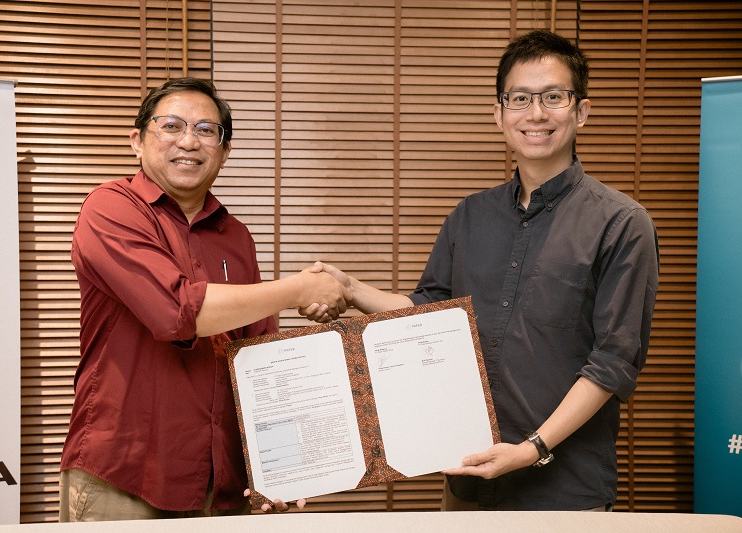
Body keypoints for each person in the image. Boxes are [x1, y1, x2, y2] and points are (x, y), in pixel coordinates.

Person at [303, 30, 659, 511]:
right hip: (467, 484)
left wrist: (530, 449)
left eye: (553, 97)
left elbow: (613, 362)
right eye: (520, 98)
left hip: (566, 492)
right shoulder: (469, 216)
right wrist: (351, 289)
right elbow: (429, 311)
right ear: (499, 113)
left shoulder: (621, 223)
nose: (536, 113)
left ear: (581, 111)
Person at [59, 77, 350, 521]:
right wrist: (300, 289)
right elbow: (176, 311)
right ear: (137, 141)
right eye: (171, 126)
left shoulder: (236, 236)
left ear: (224, 150)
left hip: (222, 482)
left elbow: (258, 356)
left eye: (206, 130)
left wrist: (280, 467)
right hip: (125, 473)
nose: (189, 141)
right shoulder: (110, 207)